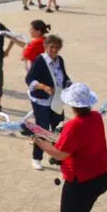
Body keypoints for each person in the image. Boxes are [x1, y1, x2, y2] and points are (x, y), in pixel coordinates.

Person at [30, 83, 107, 212]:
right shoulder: (96, 117)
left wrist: (39, 141)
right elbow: (71, 142)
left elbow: (59, 153)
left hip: (82, 181)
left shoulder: (74, 126)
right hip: (101, 177)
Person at [25, 34, 72, 170]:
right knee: (42, 129)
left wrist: (70, 85)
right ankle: (36, 157)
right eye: (51, 47)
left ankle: (56, 156)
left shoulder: (60, 60)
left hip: (57, 99)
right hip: (41, 100)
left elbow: (64, 77)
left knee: (58, 128)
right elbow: (29, 80)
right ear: (45, 47)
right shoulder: (40, 61)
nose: (54, 50)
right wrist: (44, 87)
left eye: (57, 47)